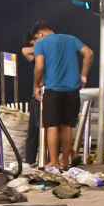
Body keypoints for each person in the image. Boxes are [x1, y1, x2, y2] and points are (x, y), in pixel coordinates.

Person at [32, 21, 94, 171]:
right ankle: (65, 162)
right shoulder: (71, 39)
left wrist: (37, 85)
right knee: (67, 126)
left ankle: (54, 162)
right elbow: (89, 53)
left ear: (40, 34)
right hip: (72, 90)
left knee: (52, 126)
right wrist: (84, 76)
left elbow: (39, 66)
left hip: (53, 89)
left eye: (35, 38)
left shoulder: (41, 43)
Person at [21, 33, 41, 167]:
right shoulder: (37, 56)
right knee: (33, 131)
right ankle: (29, 161)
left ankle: (48, 160)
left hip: (47, 94)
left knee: (45, 130)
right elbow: (24, 51)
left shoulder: (49, 57)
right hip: (36, 97)